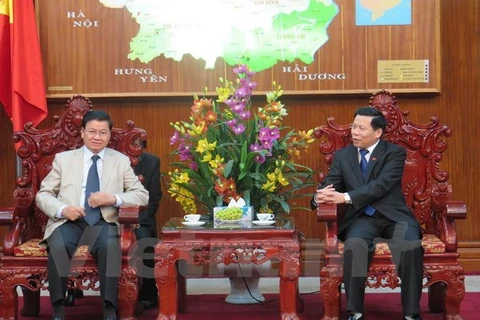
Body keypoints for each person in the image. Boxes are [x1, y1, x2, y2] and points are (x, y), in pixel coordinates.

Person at [312, 107, 423, 320]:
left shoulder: (394, 153)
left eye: (361, 128)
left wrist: (344, 198)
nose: (355, 132)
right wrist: (320, 197)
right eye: (354, 126)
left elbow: (381, 185)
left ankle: (411, 314)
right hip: (362, 217)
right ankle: (355, 312)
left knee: (410, 246)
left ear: (378, 132)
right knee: (354, 245)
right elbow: (330, 184)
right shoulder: (343, 156)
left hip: (394, 217)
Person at [36, 110, 149, 320]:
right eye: (92, 132)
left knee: (109, 246)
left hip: (103, 221)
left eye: (103, 132)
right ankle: (58, 309)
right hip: (70, 221)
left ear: (109, 135)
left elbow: (141, 196)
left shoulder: (120, 161)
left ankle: (108, 308)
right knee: (59, 246)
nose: (97, 137)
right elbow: (43, 195)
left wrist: (112, 198)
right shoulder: (64, 160)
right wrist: (63, 209)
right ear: (82, 132)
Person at [133, 138, 162, 310]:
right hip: (113, 218)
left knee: (145, 242)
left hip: (141, 219)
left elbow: (154, 198)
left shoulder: (151, 161)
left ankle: (149, 294)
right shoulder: (114, 160)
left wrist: (138, 222)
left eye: (138, 147)